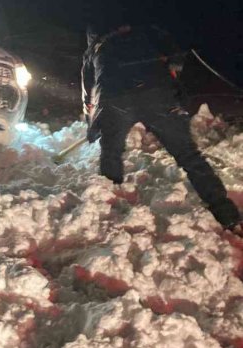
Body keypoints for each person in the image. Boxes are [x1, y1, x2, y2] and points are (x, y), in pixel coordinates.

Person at [82, 22, 240, 230]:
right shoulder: (144, 33)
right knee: (188, 155)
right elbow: (175, 52)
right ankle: (225, 212)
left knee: (110, 152)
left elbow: (88, 93)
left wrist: (92, 122)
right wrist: (172, 73)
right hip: (156, 95)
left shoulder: (93, 51)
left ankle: (108, 208)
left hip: (115, 101)